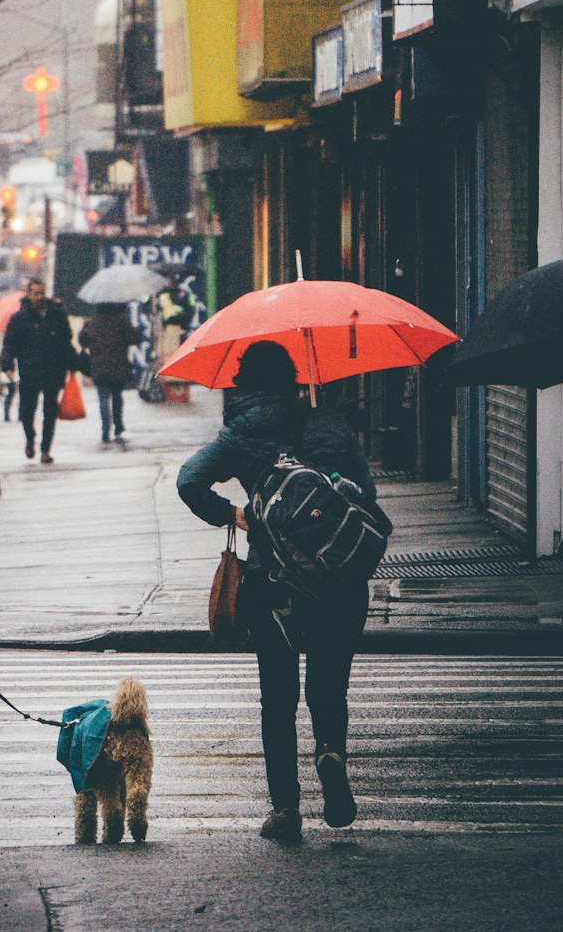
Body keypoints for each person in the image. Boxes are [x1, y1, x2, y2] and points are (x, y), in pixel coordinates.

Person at [176, 340, 376, 842]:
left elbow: (189, 481)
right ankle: (330, 753)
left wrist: (238, 515)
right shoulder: (331, 424)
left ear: (244, 381)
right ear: (292, 376)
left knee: (278, 696)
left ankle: (286, 808)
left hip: (274, 581)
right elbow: (366, 498)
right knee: (329, 687)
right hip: (339, 580)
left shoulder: (244, 432)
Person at [0, 278, 78, 463]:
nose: (39, 297)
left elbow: (65, 341)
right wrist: (8, 365)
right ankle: (30, 439)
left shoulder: (56, 314)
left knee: (50, 412)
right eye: (35, 293)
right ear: (29, 294)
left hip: (53, 370)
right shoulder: (19, 318)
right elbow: (9, 343)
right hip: (30, 371)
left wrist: (73, 364)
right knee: (27, 411)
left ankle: (45, 450)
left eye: (41, 293)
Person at [79, 303, 141, 444]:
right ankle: (118, 425)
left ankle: (105, 429)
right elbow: (134, 338)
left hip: (99, 366)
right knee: (117, 396)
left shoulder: (92, 322)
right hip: (118, 365)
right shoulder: (121, 320)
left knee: (103, 399)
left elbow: (82, 340)